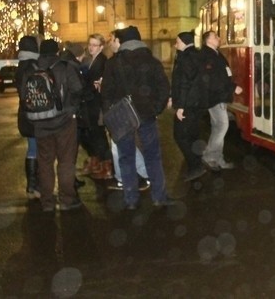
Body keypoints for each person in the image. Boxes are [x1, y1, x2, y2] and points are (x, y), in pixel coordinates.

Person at [101, 26, 173, 210]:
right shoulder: (152, 61)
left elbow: (106, 94)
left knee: (126, 157)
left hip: (123, 116)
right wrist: (155, 109)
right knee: (153, 156)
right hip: (147, 115)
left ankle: (131, 199)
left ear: (123, 41)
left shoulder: (112, 63)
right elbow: (164, 88)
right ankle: (159, 196)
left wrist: (111, 114)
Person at [29, 39, 84, 212]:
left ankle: (47, 202)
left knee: (45, 163)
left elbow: (24, 96)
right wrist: (71, 109)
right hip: (64, 123)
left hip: (40, 124)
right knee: (66, 162)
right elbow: (78, 89)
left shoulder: (32, 69)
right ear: (57, 51)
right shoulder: (65, 67)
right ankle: (67, 199)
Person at [199, 30, 242, 171]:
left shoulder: (215, 54)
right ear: (208, 40)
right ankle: (211, 156)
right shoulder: (207, 56)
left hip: (218, 96)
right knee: (222, 126)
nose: (218, 38)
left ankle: (215, 158)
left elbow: (223, 74)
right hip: (215, 97)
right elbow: (215, 80)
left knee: (218, 127)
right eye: (215, 36)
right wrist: (232, 87)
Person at [170, 31, 206, 182]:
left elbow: (184, 84)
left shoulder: (184, 57)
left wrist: (180, 106)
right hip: (198, 103)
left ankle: (195, 165)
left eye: (177, 41)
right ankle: (197, 163)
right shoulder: (198, 55)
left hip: (187, 105)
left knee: (180, 136)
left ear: (184, 42)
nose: (175, 44)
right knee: (193, 135)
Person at [77, 34, 113, 180]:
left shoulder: (102, 62)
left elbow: (96, 84)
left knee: (98, 135)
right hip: (89, 104)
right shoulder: (88, 60)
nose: (91, 47)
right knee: (90, 134)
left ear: (101, 47)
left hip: (96, 104)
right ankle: (96, 161)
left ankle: (106, 165)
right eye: (90, 44)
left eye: (94, 45)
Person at [15, 35, 40, 200]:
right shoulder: (33, 66)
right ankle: (34, 186)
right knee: (37, 149)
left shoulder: (21, 66)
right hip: (35, 113)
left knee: (32, 149)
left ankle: (32, 185)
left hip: (24, 114)